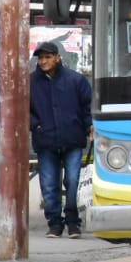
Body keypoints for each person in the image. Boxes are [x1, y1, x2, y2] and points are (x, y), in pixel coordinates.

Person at [30, 41, 93, 238]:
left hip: (72, 138)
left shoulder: (76, 80)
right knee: (49, 184)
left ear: (58, 58)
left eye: (47, 57)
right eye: (40, 58)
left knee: (73, 181)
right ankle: (55, 223)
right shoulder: (30, 82)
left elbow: (87, 106)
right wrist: (35, 125)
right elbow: (23, 108)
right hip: (45, 139)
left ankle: (73, 222)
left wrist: (89, 124)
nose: (43, 61)